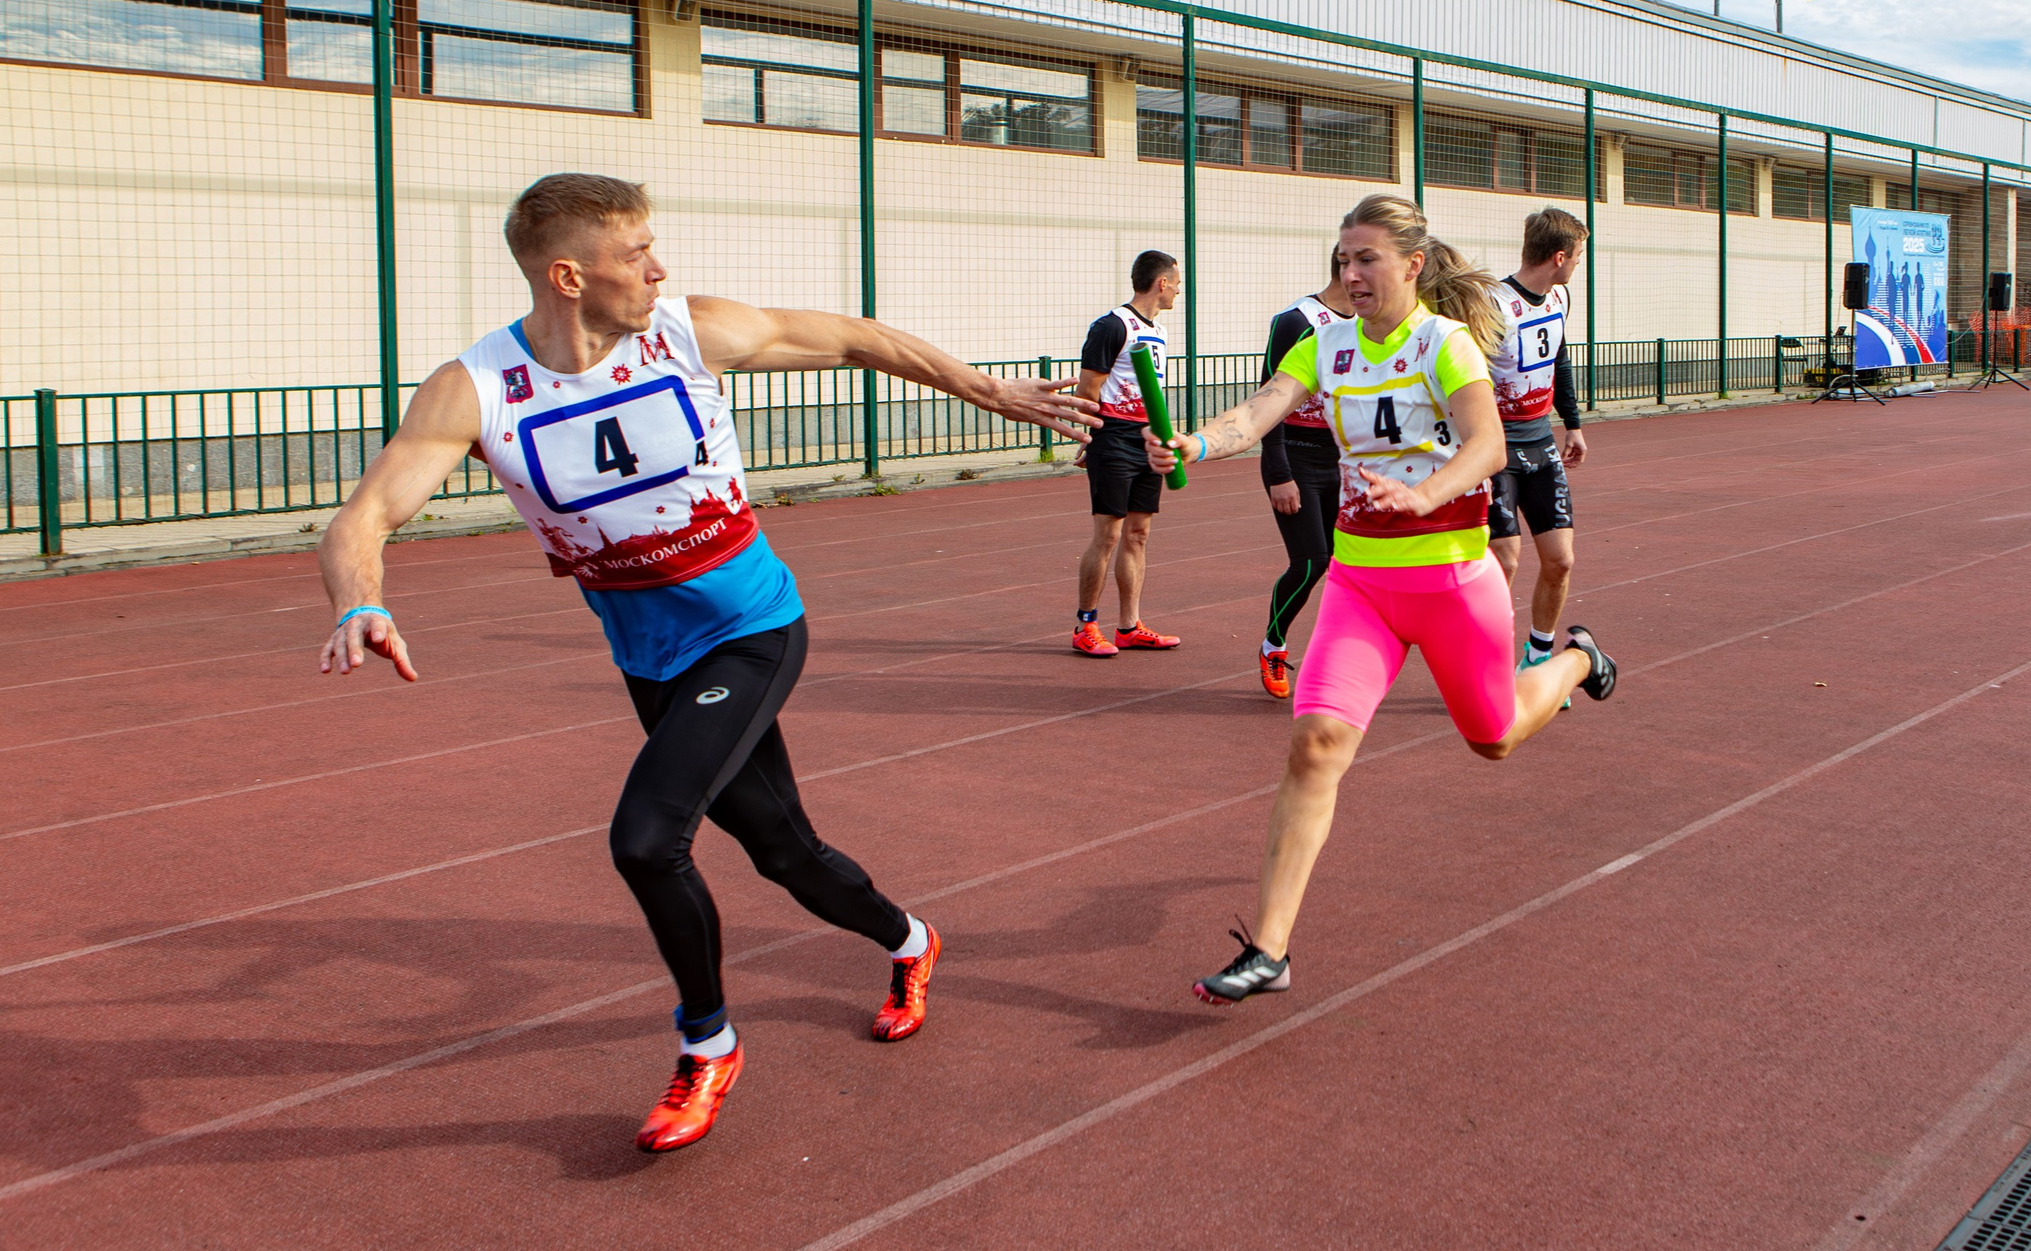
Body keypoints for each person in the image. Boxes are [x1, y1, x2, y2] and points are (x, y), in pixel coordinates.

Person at [316, 174, 1095, 1153]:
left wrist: (995, 392)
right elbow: (365, 516)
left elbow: (855, 336)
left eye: (654, 244)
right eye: (634, 251)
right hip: (651, 659)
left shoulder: (686, 333)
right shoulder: (475, 389)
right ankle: (911, 938)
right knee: (785, 853)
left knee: (645, 839)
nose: (658, 266)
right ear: (567, 274)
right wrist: (361, 597)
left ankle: (707, 1043)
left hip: (753, 628)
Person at [1147, 195, 1618, 1006]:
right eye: (1341, 260)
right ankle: (1269, 949)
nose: (1350, 274)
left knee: (1495, 738)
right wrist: (1197, 441)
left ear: (1411, 265)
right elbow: (1258, 413)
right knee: (1316, 744)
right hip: (1361, 586)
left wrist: (1425, 493)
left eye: (1365, 259)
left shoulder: (1448, 343)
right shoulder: (1323, 346)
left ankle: (1577, 658)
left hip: (1451, 579)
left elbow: (1488, 444)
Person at [1485, 208, 1590, 681]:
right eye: (1579, 257)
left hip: (1540, 443)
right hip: (1494, 451)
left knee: (1560, 559)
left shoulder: (1559, 298)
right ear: (1559, 255)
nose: (1578, 266)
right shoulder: (1492, 304)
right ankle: (1485, 664)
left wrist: (1572, 422)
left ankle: (1539, 656)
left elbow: (1559, 359)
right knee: (1503, 563)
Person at [1073, 251, 1185, 657]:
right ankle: (1085, 624)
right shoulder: (1110, 326)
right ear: (1161, 283)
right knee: (1108, 535)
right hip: (1114, 439)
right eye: (1177, 281)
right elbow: (1089, 390)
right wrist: (1092, 439)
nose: (1178, 289)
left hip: (1147, 439)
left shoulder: (1161, 332)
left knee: (1138, 535)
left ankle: (1129, 626)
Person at [1255, 254, 1353, 698]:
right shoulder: (1297, 321)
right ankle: (1273, 644)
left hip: (1343, 461)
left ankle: (1335, 657)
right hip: (1294, 457)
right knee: (1311, 561)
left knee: (1348, 564)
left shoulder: (1369, 324)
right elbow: (1266, 401)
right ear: (1346, 270)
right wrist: (1278, 472)